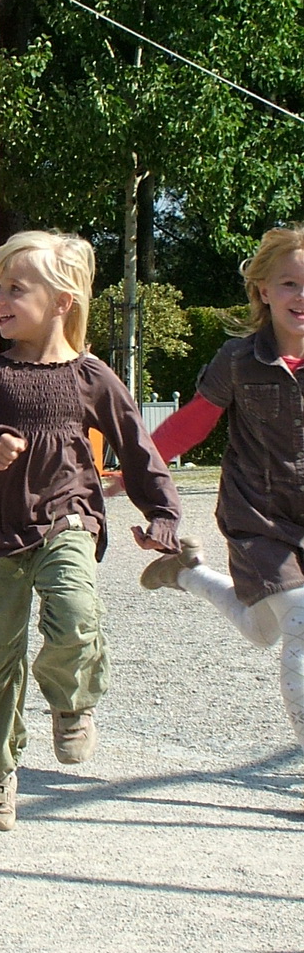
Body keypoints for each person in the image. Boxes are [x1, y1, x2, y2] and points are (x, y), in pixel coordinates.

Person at [0, 230, 182, 833]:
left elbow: (137, 447)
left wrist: (163, 514)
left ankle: (70, 699)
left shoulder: (91, 376)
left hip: (67, 517)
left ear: (61, 301)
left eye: (15, 289)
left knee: (76, 612)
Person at [141, 225, 304, 752]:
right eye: (289, 284)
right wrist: (138, 471)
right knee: (300, 618)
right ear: (262, 291)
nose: (301, 297)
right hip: (258, 519)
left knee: (262, 629)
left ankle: (187, 574)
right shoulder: (238, 360)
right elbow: (193, 421)